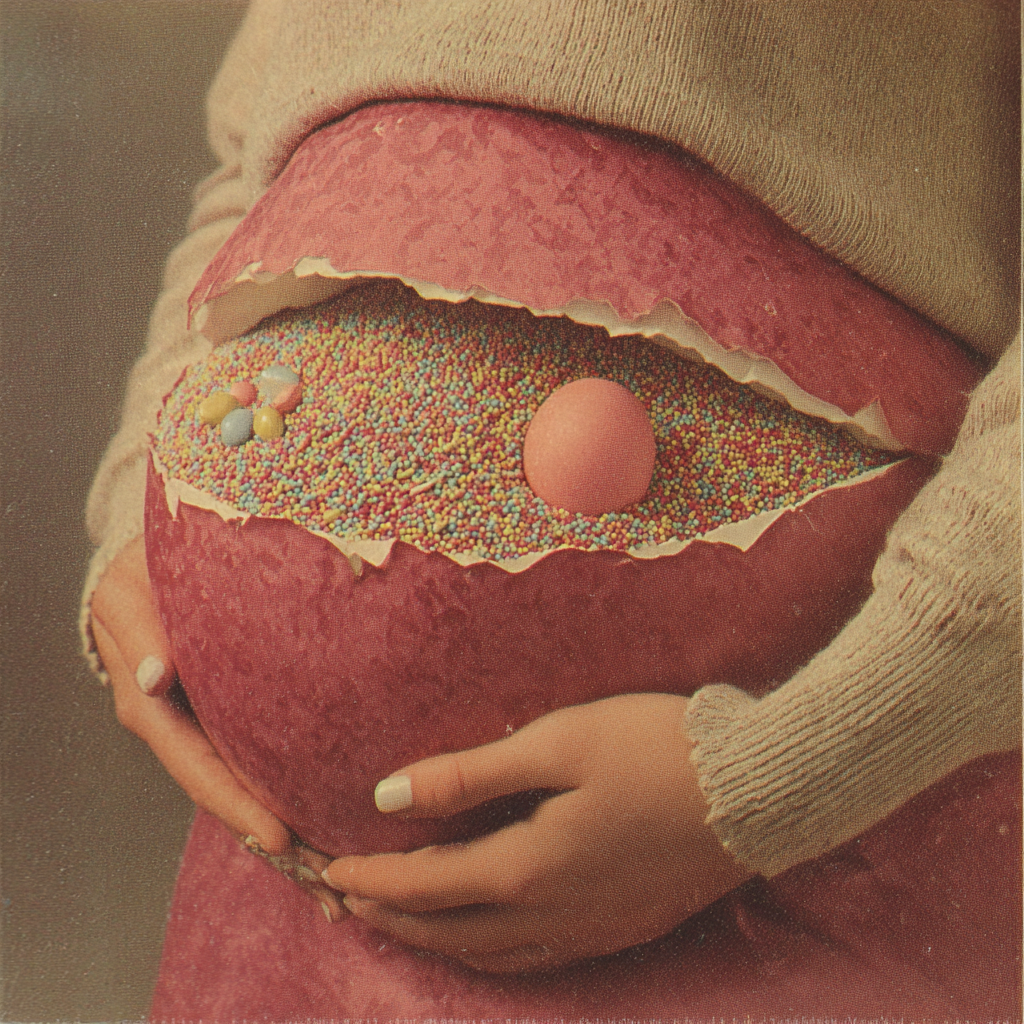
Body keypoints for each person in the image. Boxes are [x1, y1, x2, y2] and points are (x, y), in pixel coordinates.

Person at [84, 1, 1020, 1016]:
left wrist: (774, 780)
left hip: (805, 844)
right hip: (295, 907)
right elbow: (255, 159)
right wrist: (146, 497)